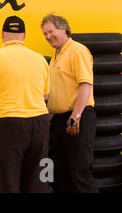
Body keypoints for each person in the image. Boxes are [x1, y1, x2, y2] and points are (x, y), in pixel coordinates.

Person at [0, 15, 50, 193]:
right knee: (38, 182)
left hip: (9, 125)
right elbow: (45, 95)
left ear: (2, 34)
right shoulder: (40, 60)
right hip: (40, 124)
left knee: (7, 182)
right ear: (24, 35)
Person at [41, 14, 98, 193]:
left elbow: (86, 84)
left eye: (50, 31)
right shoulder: (56, 56)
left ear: (63, 29)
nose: (48, 36)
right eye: (45, 34)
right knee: (63, 175)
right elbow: (55, 96)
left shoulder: (77, 50)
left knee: (79, 173)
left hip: (77, 118)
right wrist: (44, 121)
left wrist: (75, 117)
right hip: (59, 120)